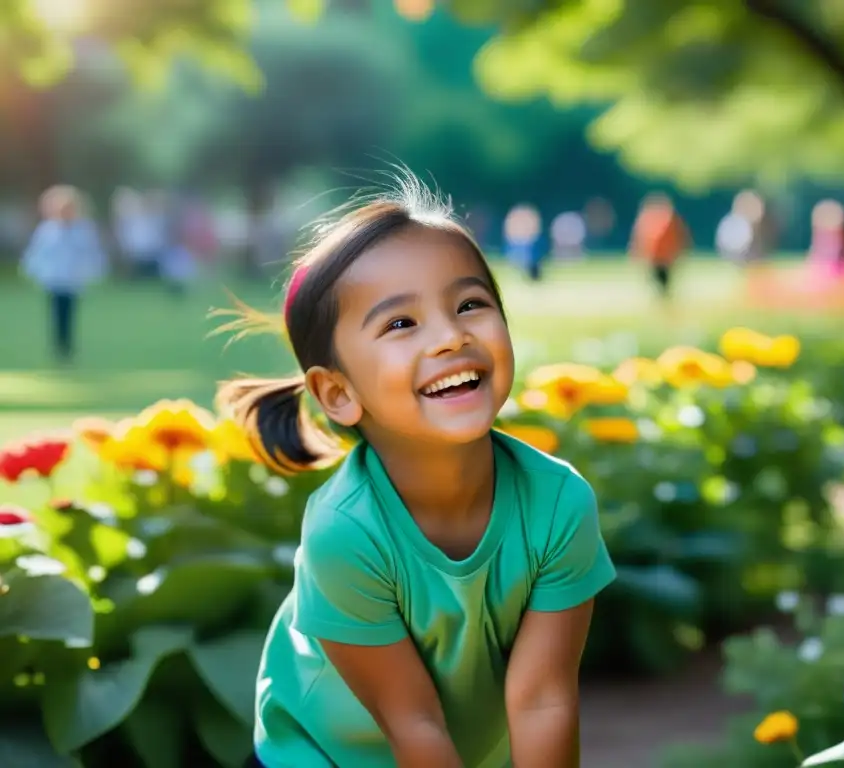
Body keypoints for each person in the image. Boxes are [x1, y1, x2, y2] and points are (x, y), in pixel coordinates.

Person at [216, 178, 617, 768]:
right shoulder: (345, 531)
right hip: (316, 757)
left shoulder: (559, 503)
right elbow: (414, 723)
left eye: (470, 305)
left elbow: (543, 700)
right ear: (337, 393)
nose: (451, 336)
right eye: (401, 324)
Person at [21, 185, 107, 362]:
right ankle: (59, 344)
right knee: (56, 312)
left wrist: (94, 271)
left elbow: (91, 252)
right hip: (54, 279)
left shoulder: (83, 229)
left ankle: (67, 345)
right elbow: (36, 253)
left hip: (72, 279)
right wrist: (33, 271)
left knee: (69, 313)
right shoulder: (47, 230)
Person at [629, 193, 690, 299]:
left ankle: (664, 299)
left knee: (661, 283)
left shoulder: (650, 218)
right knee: (661, 283)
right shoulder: (668, 218)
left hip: (660, 257)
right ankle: (664, 299)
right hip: (662, 257)